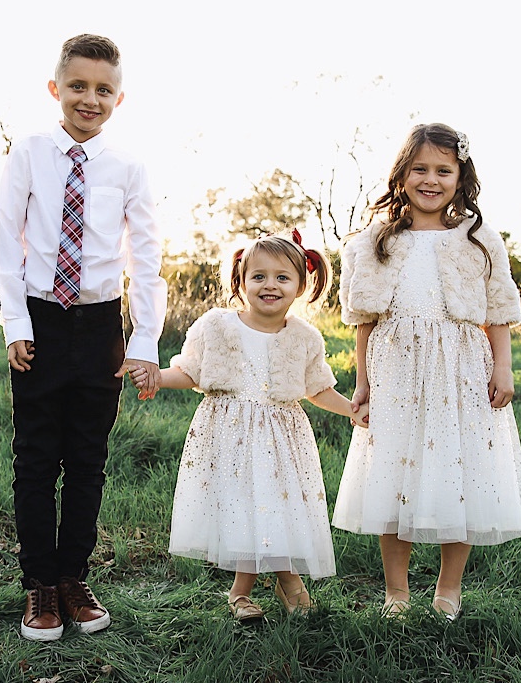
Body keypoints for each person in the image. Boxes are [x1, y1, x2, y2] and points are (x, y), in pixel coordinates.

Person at [0, 34, 166, 641]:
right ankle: (38, 584)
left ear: (120, 97)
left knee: (88, 460)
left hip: (99, 327)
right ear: (55, 89)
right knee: (36, 458)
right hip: (41, 321)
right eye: (78, 86)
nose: (90, 99)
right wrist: (16, 322)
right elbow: (6, 241)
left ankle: (72, 579)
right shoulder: (30, 152)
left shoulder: (127, 166)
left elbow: (145, 254)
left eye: (103, 90)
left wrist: (142, 342)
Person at [331, 122, 521, 621]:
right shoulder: (375, 240)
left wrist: (502, 367)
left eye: (444, 170)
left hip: (462, 367)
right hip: (396, 368)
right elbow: (364, 322)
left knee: (457, 472)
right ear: (402, 175)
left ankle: (448, 590)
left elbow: (499, 308)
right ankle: (396, 592)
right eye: (420, 168)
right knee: (395, 472)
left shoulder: (478, 237)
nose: (431, 179)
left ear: (461, 176)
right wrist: (363, 384)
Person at [129, 232, 367, 622]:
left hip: (280, 440)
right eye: (258, 276)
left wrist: (351, 411)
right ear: (240, 280)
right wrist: (155, 377)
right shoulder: (217, 326)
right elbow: (189, 371)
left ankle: (277, 583)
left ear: (300, 286)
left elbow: (317, 389)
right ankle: (255, 590)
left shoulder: (304, 338)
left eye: (282, 278)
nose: (269, 285)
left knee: (275, 507)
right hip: (229, 436)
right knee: (243, 509)